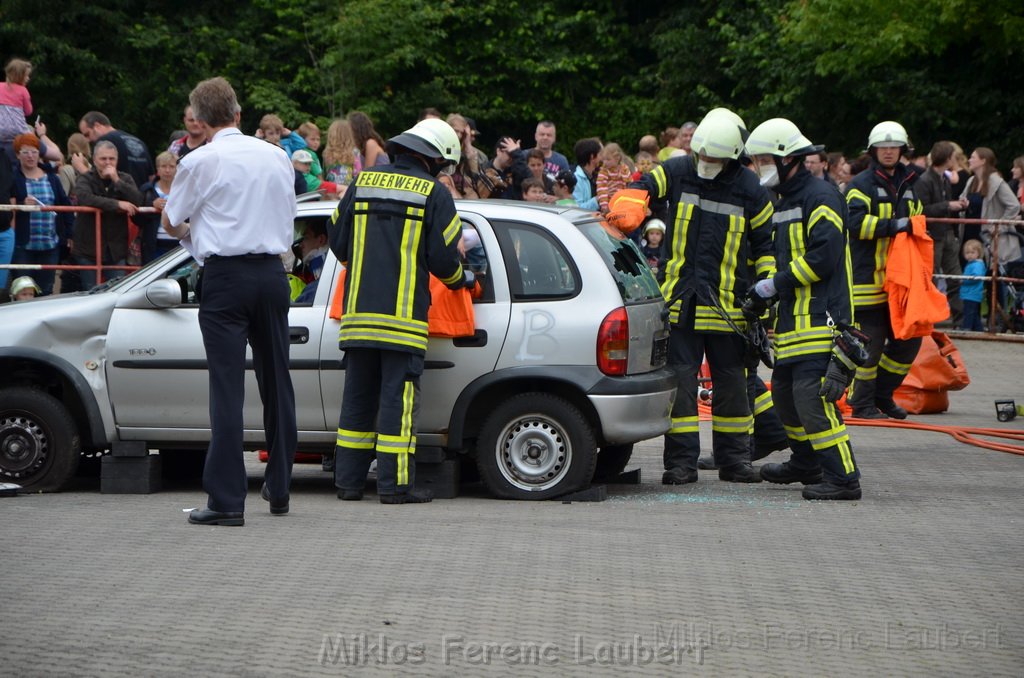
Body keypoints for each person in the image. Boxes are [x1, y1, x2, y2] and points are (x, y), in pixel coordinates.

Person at [162, 76, 298, 526]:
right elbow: (288, 215)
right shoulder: (278, 156)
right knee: (277, 380)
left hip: (225, 278)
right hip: (271, 275)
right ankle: (279, 489)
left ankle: (226, 501)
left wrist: (195, 240)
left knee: (227, 388)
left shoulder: (201, 160)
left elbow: (171, 219)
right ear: (239, 114)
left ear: (198, 119)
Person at [619, 108, 774, 485]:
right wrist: (629, 205)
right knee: (683, 391)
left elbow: (767, 247)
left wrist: (766, 289)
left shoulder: (751, 189)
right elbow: (642, 185)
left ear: (734, 155)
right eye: (702, 155)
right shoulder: (677, 171)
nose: (705, 162)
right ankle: (681, 465)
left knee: (733, 389)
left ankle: (734, 461)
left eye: (714, 158)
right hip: (681, 307)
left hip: (730, 309)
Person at [328, 118, 470, 504]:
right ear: (434, 160)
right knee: (397, 404)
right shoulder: (433, 194)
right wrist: (464, 279)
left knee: (357, 401)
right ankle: (394, 487)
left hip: (357, 318)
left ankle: (349, 484)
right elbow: (444, 261)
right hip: (402, 322)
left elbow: (338, 243)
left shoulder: (362, 182)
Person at [745, 117, 861, 500]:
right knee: (784, 397)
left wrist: (775, 284)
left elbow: (825, 256)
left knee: (813, 401)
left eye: (764, 159)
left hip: (823, 320)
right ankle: (806, 462)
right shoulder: (785, 202)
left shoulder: (821, 196)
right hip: (794, 324)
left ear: (787, 160)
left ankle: (843, 478)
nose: (759, 167)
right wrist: (764, 295)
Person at [845, 121, 923, 420]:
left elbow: (917, 222)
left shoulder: (909, 183)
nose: (889, 151)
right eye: (883, 146)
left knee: (909, 342)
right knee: (871, 346)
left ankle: (882, 395)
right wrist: (893, 226)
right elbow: (853, 224)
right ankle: (862, 404)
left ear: (903, 150)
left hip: (901, 283)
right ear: (873, 150)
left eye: (894, 147)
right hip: (868, 280)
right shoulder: (860, 185)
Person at [72, 140, 143, 289]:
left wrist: (116, 180)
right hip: (88, 248)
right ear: (94, 160)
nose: (107, 162)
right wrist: (117, 204)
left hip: (116, 248)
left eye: (112, 159)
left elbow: (137, 200)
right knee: (89, 293)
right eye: (103, 159)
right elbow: (85, 197)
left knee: (117, 292)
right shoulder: (85, 178)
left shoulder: (124, 178)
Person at [10, 133, 74, 295]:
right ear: (17, 155)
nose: (30, 156)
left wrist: (70, 234)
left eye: (34, 151)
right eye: (25, 152)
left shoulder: (52, 177)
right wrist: (21, 205)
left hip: (50, 243)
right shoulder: (13, 177)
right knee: (22, 290)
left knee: (46, 290)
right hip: (23, 245)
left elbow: (65, 205)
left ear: (40, 154)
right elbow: (7, 205)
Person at [917, 140, 969, 326]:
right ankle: (930, 318)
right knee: (931, 276)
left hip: (945, 233)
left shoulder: (942, 178)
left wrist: (957, 204)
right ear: (947, 158)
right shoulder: (925, 180)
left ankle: (960, 319)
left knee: (954, 276)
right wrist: (948, 205)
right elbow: (922, 209)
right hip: (934, 235)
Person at [78, 111, 155, 189]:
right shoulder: (139, 142)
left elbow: (98, 179)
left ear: (97, 126)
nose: (87, 140)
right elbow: (151, 177)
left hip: (120, 196)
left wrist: (80, 166)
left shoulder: (104, 141)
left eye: (87, 134)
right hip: (142, 197)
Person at [138, 151, 179, 262]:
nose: (167, 170)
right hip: (153, 245)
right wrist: (151, 205)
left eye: (171, 166)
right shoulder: (147, 189)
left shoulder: (184, 190)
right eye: (163, 166)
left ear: (177, 169)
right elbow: (136, 218)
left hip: (179, 245)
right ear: (157, 169)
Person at [0, 58, 33, 153]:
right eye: (26, 76)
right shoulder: (23, 91)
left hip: (0, 131)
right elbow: (28, 111)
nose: (28, 78)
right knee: (33, 142)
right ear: (19, 76)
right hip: (18, 131)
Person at [322, 118, 361, 189]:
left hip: (333, 189)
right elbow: (358, 173)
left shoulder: (327, 153)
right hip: (349, 191)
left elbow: (325, 175)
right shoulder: (355, 152)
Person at [596, 143, 633, 215]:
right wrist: (605, 208)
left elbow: (630, 185)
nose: (605, 162)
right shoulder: (604, 171)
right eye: (604, 159)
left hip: (624, 204)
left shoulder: (625, 169)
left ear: (617, 158)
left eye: (608, 159)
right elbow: (601, 190)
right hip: (610, 206)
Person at [960, 239, 987, 331]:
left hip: (971, 293)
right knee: (974, 313)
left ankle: (966, 328)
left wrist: (963, 280)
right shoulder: (971, 264)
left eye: (972, 252)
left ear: (978, 253)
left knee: (969, 312)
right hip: (970, 293)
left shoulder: (976, 265)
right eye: (967, 253)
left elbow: (976, 277)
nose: (970, 255)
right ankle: (978, 329)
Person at [572, 137, 602, 211]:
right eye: (599, 154)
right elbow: (577, 209)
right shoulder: (576, 179)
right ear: (592, 156)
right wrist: (598, 199)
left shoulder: (597, 175)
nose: (601, 158)